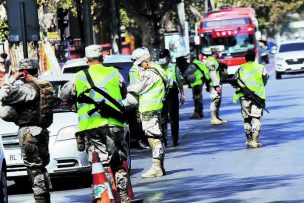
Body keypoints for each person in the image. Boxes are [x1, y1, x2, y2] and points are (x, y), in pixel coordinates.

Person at [60, 45, 131, 202]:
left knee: (100, 163)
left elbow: (64, 95)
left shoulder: (78, 77)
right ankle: (124, 196)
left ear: (86, 60)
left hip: (91, 127)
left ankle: (105, 196)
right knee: (118, 162)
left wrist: (76, 105)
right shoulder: (114, 73)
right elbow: (124, 92)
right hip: (114, 124)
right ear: (103, 58)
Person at [0, 59, 54, 203]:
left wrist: (12, 79)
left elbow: (3, 95)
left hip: (29, 132)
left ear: (24, 72)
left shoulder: (27, 89)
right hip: (42, 131)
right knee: (41, 166)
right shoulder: (45, 85)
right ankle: (45, 197)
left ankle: (40, 199)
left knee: (33, 169)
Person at [127, 47, 167, 178]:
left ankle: (156, 167)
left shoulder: (151, 73)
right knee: (156, 136)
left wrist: (127, 87)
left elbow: (139, 88)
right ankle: (159, 166)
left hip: (150, 109)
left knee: (153, 137)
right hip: (153, 108)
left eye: (140, 64)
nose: (140, 67)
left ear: (145, 60)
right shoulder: (158, 70)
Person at [233, 50, 269, 148]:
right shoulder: (261, 67)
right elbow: (265, 78)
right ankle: (255, 140)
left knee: (246, 119)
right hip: (258, 97)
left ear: (245, 58)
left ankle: (249, 140)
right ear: (254, 57)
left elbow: (235, 81)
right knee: (256, 118)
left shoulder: (240, 69)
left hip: (244, 97)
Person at [159, 48, 185, 147]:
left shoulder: (173, 67)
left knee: (174, 118)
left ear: (168, 58)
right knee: (163, 119)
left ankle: (175, 140)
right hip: (160, 95)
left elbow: (180, 80)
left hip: (172, 93)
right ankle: (164, 141)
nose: (162, 59)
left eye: (164, 57)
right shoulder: (156, 67)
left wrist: (182, 94)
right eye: (160, 57)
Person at [127, 49, 150, 150]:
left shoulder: (141, 68)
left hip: (146, 99)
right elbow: (138, 86)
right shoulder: (135, 69)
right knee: (140, 122)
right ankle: (140, 141)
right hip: (140, 99)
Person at [205, 48, 227, 125]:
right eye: (219, 52)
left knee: (218, 100)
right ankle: (213, 118)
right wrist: (216, 86)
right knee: (216, 100)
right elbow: (212, 74)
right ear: (215, 52)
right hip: (213, 84)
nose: (220, 53)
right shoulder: (210, 61)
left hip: (217, 83)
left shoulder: (215, 60)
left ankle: (217, 117)